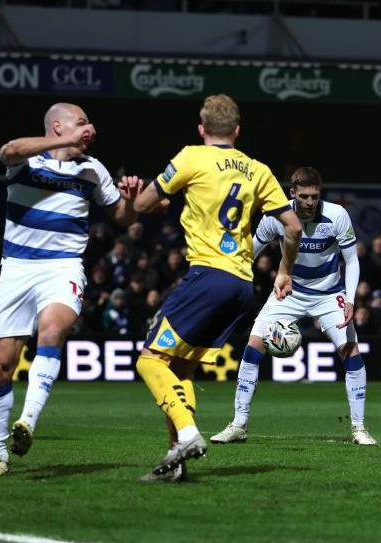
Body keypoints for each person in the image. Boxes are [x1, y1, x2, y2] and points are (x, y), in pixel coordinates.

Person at [125, 94, 302, 481]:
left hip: (208, 274)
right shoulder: (258, 170)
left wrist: (140, 198)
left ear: (201, 128)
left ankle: (187, 435)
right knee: (181, 369)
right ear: (237, 131)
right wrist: (284, 270)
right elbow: (294, 227)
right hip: (241, 284)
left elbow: (142, 204)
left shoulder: (191, 156)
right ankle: (176, 463)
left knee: (149, 360)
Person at [0, 102, 138, 479]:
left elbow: (124, 220)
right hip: (17, 269)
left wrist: (130, 199)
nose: (90, 128)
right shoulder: (27, 162)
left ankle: (28, 420)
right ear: (57, 126)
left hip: (62, 266)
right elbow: (7, 151)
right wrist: (60, 141)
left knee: (53, 329)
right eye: (81, 122)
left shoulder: (92, 168)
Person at [211, 166, 376, 447]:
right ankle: (239, 424)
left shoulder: (337, 215)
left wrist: (349, 299)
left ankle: (359, 428)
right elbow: (250, 253)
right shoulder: (276, 216)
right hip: (289, 292)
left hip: (329, 294)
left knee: (352, 352)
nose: (310, 202)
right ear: (292, 193)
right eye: (304, 196)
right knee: (253, 347)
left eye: (314, 196)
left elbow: (352, 260)